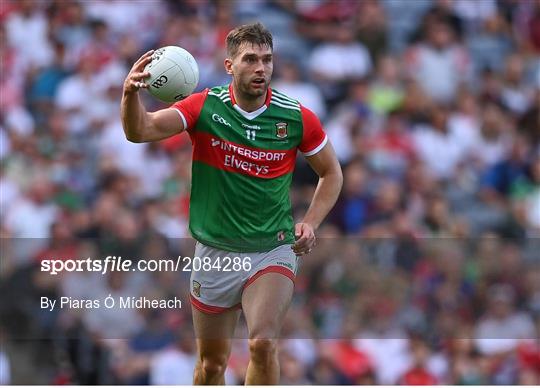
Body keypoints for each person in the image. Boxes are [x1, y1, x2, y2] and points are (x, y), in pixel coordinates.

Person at [120, 22, 343, 384]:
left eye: (267, 60)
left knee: (263, 343)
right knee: (211, 366)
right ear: (229, 66)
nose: (261, 68)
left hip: (272, 248)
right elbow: (139, 131)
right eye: (251, 59)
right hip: (216, 252)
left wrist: (311, 221)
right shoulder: (204, 107)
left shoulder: (296, 117)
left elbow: (332, 173)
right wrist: (130, 95)